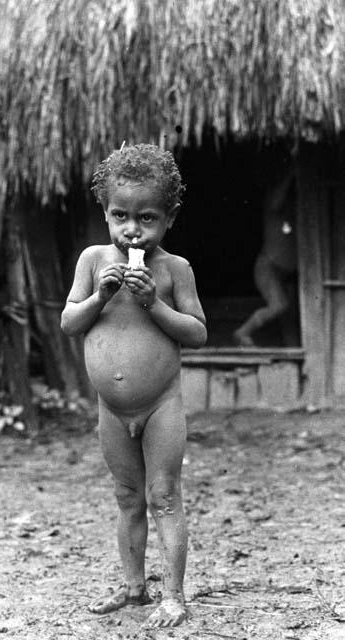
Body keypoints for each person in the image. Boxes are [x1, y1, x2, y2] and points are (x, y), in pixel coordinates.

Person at [61, 143, 207, 628]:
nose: (132, 230)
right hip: (111, 409)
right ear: (104, 213)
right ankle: (133, 587)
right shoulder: (92, 260)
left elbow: (198, 333)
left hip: (161, 405)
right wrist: (101, 295)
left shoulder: (173, 269)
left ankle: (175, 595)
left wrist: (153, 305)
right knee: (127, 495)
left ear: (169, 218)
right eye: (120, 215)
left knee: (163, 494)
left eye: (147, 218)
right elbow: (69, 322)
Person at [233, 167, 298, 347]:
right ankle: (243, 332)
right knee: (280, 305)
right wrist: (292, 171)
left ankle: (293, 350)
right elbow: (277, 201)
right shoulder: (273, 200)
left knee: (289, 316)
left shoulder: (293, 209)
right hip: (268, 268)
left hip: (286, 272)